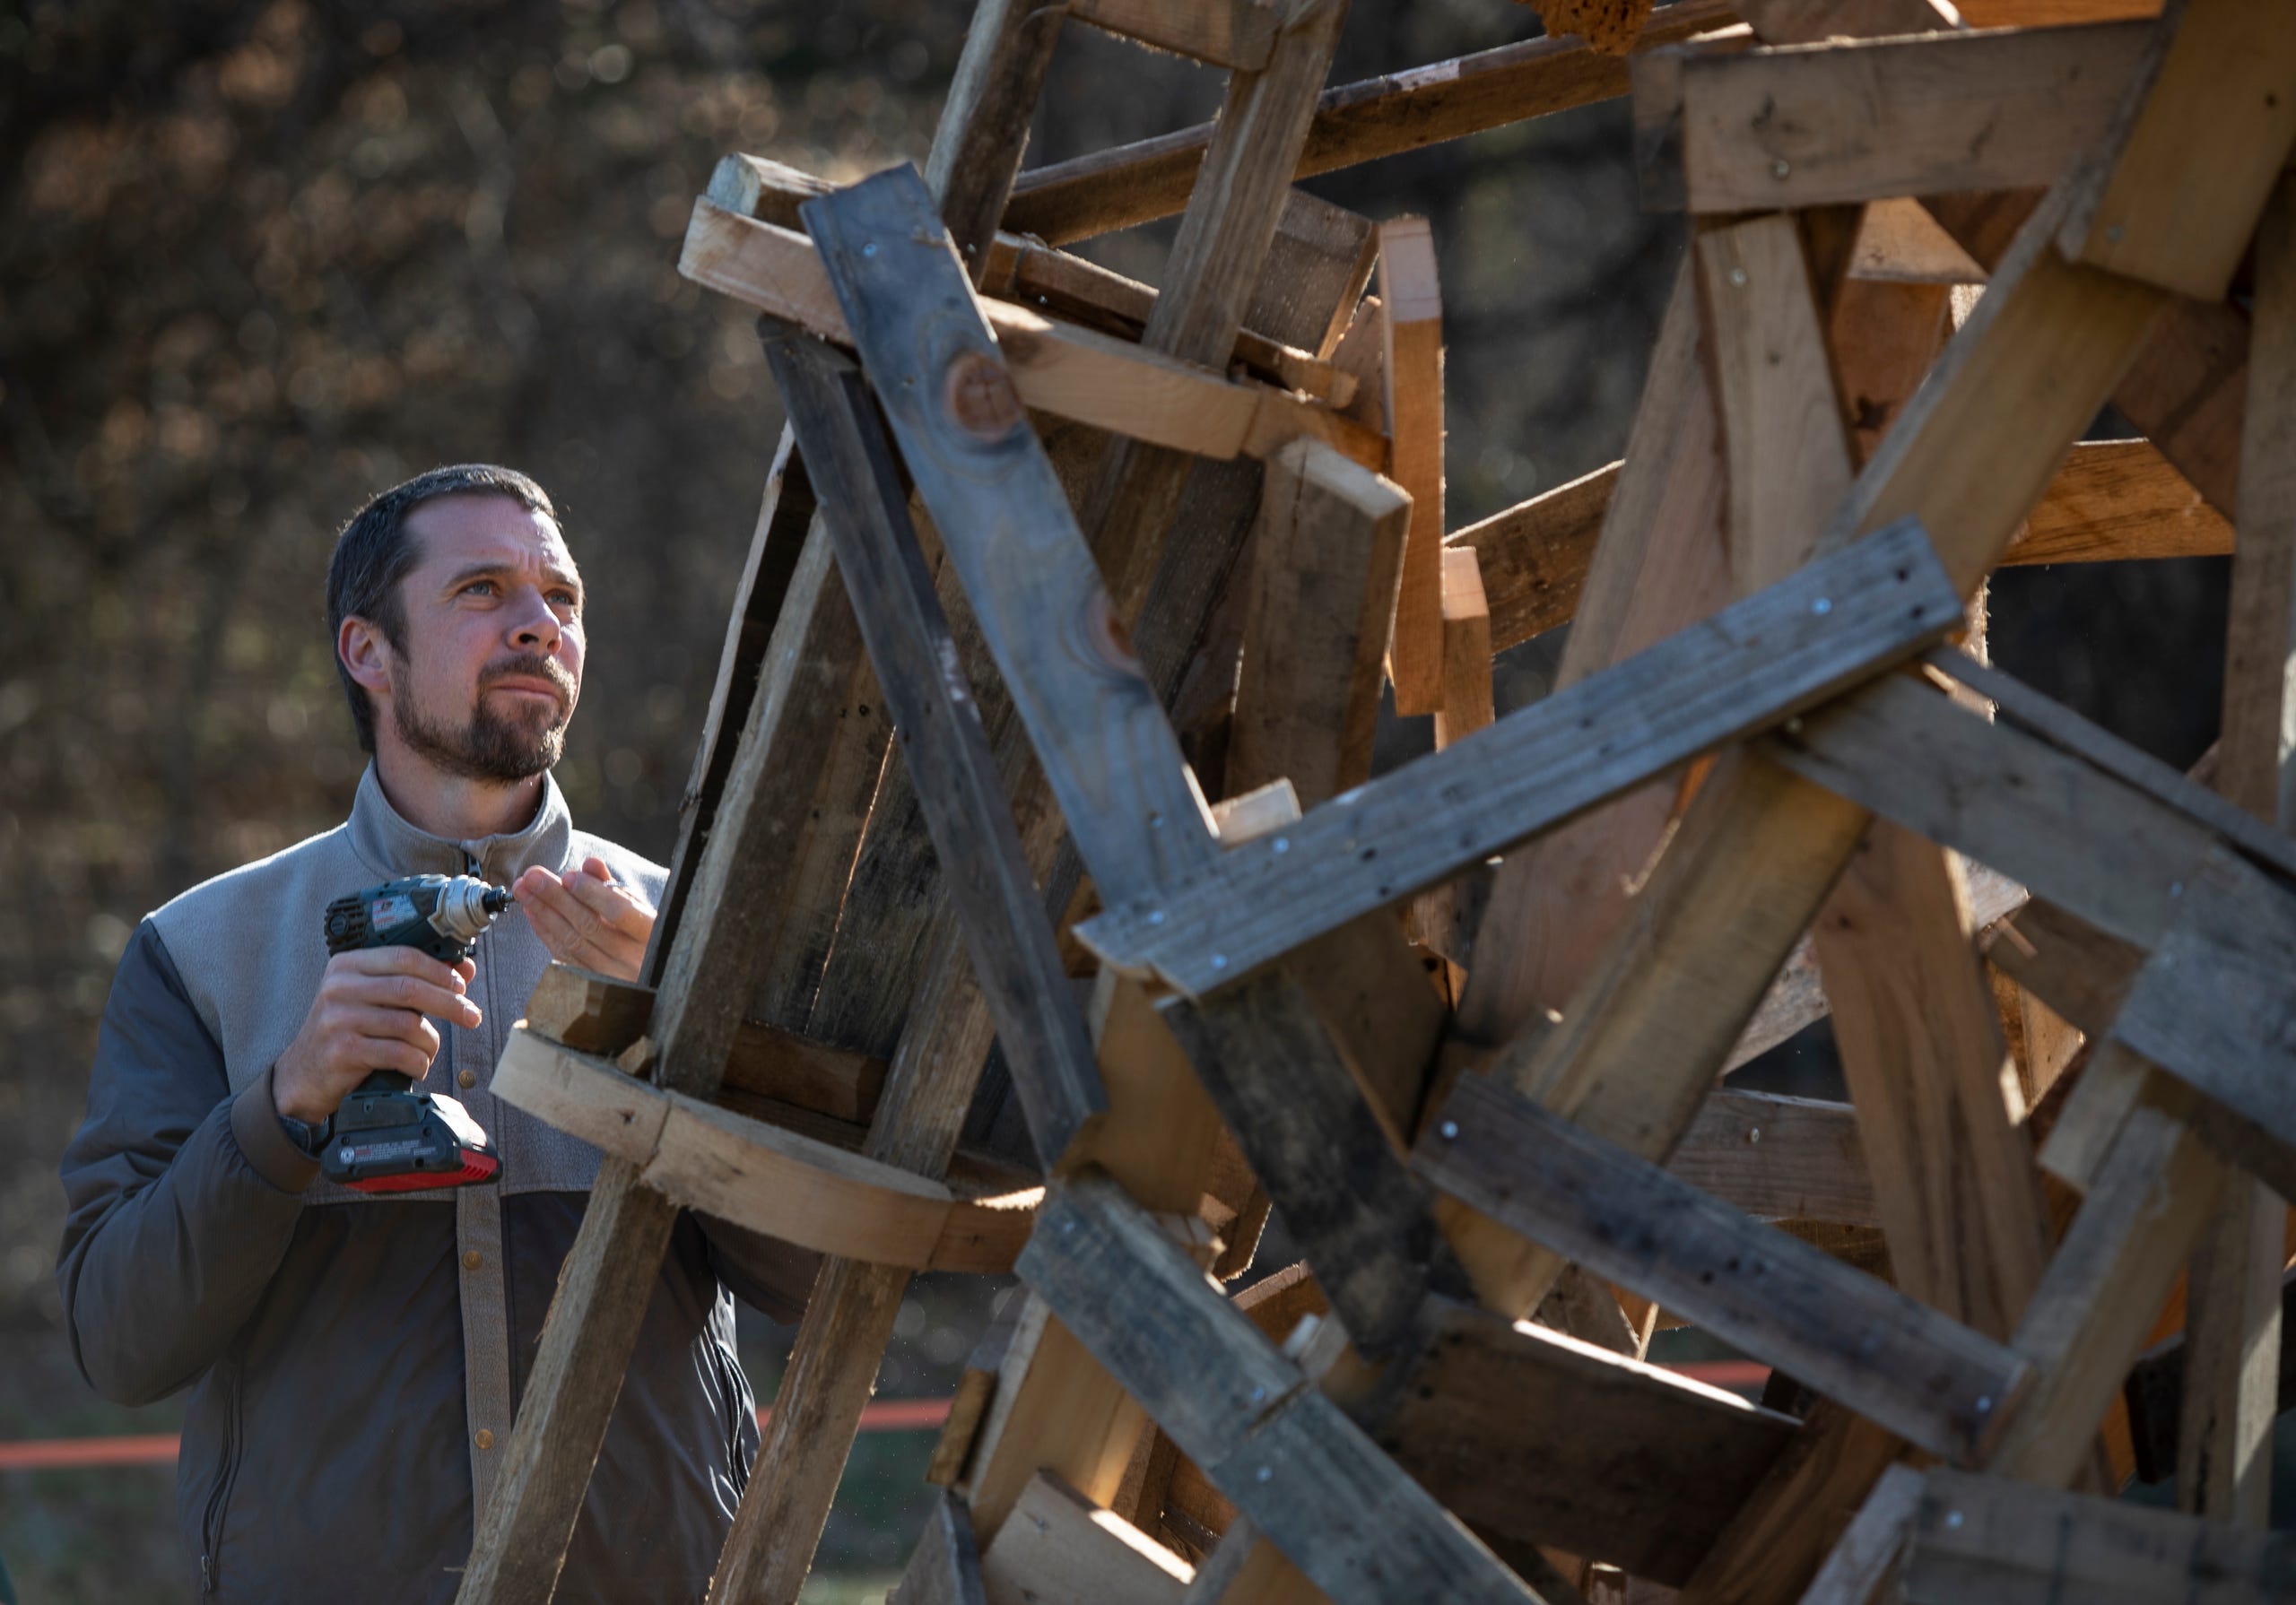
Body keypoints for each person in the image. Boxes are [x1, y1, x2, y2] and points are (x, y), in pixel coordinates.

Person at [57, 465, 817, 1603]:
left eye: (561, 596)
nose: (537, 623)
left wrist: (685, 1039)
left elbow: (821, 1280)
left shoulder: (700, 934)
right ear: (369, 651)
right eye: (482, 587)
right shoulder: (198, 950)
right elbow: (121, 1342)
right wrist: (286, 1105)